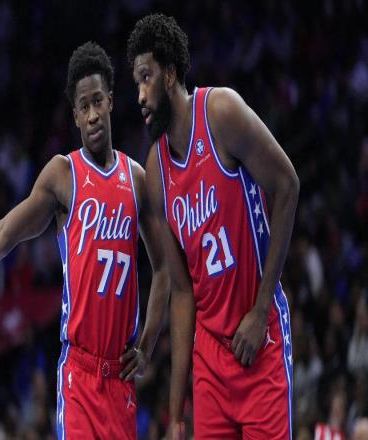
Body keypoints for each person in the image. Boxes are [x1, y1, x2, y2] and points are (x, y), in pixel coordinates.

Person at [0, 42, 167, 440]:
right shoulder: (63, 175)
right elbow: (2, 235)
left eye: (97, 101)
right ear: (75, 116)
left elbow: (164, 268)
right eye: (83, 106)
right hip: (79, 377)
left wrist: (148, 344)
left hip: (120, 379)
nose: (92, 114)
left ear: (110, 100)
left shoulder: (137, 179)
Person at [126, 14, 300, 439]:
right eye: (136, 84)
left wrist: (260, 310)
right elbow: (182, 291)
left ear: (170, 74)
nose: (140, 96)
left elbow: (287, 186)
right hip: (210, 362)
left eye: (146, 78)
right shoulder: (156, 169)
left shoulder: (221, 112)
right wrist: (175, 414)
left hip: (259, 342)